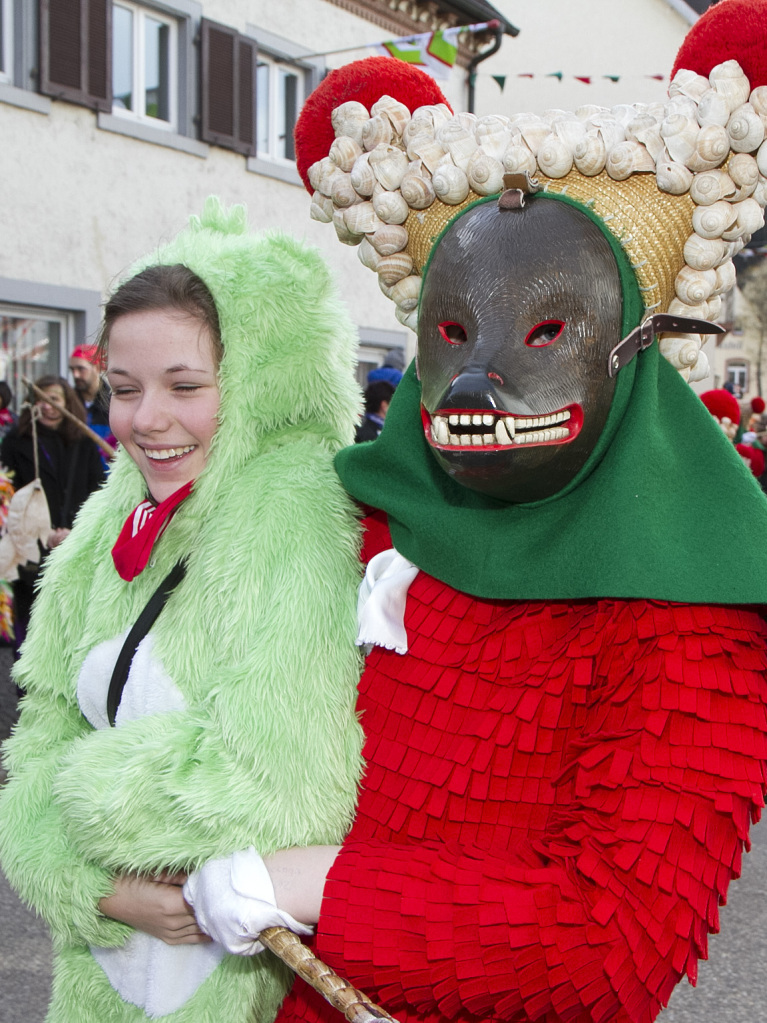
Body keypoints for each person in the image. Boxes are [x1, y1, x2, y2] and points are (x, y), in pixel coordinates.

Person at [185, 13, 767, 1023]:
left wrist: (309, 887)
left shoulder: (687, 606)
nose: (478, 382)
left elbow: (611, 944)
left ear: (627, 344)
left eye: (543, 331)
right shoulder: (366, 518)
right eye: (451, 334)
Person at [0, 199, 364, 1023]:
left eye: (186, 386)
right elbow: (45, 717)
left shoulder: (293, 512)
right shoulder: (111, 514)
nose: (145, 420)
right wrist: (97, 885)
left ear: (258, 383)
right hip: (101, 966)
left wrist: (77, 792)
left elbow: (284, 782)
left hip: (233, 980)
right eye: (124, 389)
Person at [0, 374, 105, 655]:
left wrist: (73, 530)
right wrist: (37, 532)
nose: (47, 407)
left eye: (54, 400)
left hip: (74, 545)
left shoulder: (82, 442)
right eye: (40, 400)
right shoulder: (16, 441)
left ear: (66, 403)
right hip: (28, 553)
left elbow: (98, 491)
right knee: (31, 633)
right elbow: (6, 496)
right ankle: (28, 691)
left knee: (69, 629)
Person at [69, 343, 116, 466]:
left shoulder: (113, 403)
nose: (75, 375)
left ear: (97, 368)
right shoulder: (68, 404)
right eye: (72, 370)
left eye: (81, 369)